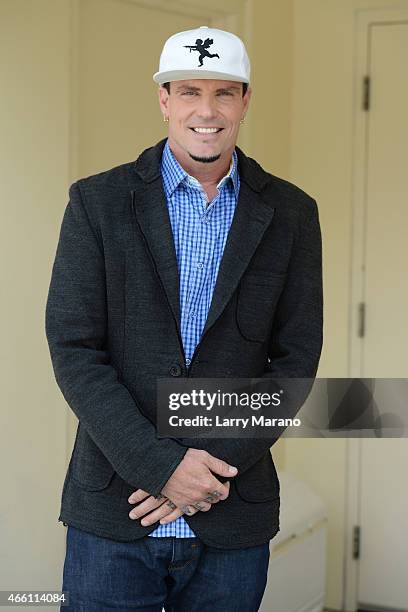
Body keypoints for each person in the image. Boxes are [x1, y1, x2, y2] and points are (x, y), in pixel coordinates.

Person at [45, 25, 323, 611]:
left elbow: (293, 364)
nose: (207, 110)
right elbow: (75, 350)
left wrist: (203, 475)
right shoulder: (97, 203)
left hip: (232, 516)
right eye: (189, 91)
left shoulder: (293, 214)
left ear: (245, 101)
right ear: (164, 99)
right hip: (115, 512)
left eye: (224, 93)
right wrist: (162, 467)